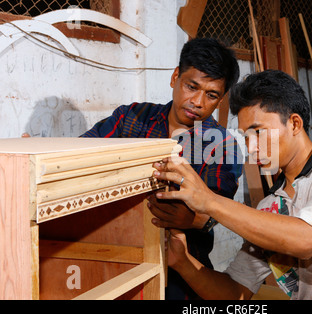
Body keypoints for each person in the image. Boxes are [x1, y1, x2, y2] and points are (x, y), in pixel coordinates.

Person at [149, 69, 312, 300]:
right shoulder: (270, 207)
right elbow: (235, 292)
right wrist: (182, 262)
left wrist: (208, 201)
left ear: (295, 124)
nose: (251, 148)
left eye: (259, 132)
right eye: (245, 137)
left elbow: (306, 240)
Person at [81, 38, 243, 300]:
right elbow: (83, 154)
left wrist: (191, 219)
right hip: (118, 260)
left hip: (184, 275)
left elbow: (219, 210)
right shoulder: (131, 118)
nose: (198, 102)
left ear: (221, 99)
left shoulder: (222, 145)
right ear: (175, 77)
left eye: (211, 95)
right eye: (192, 86)